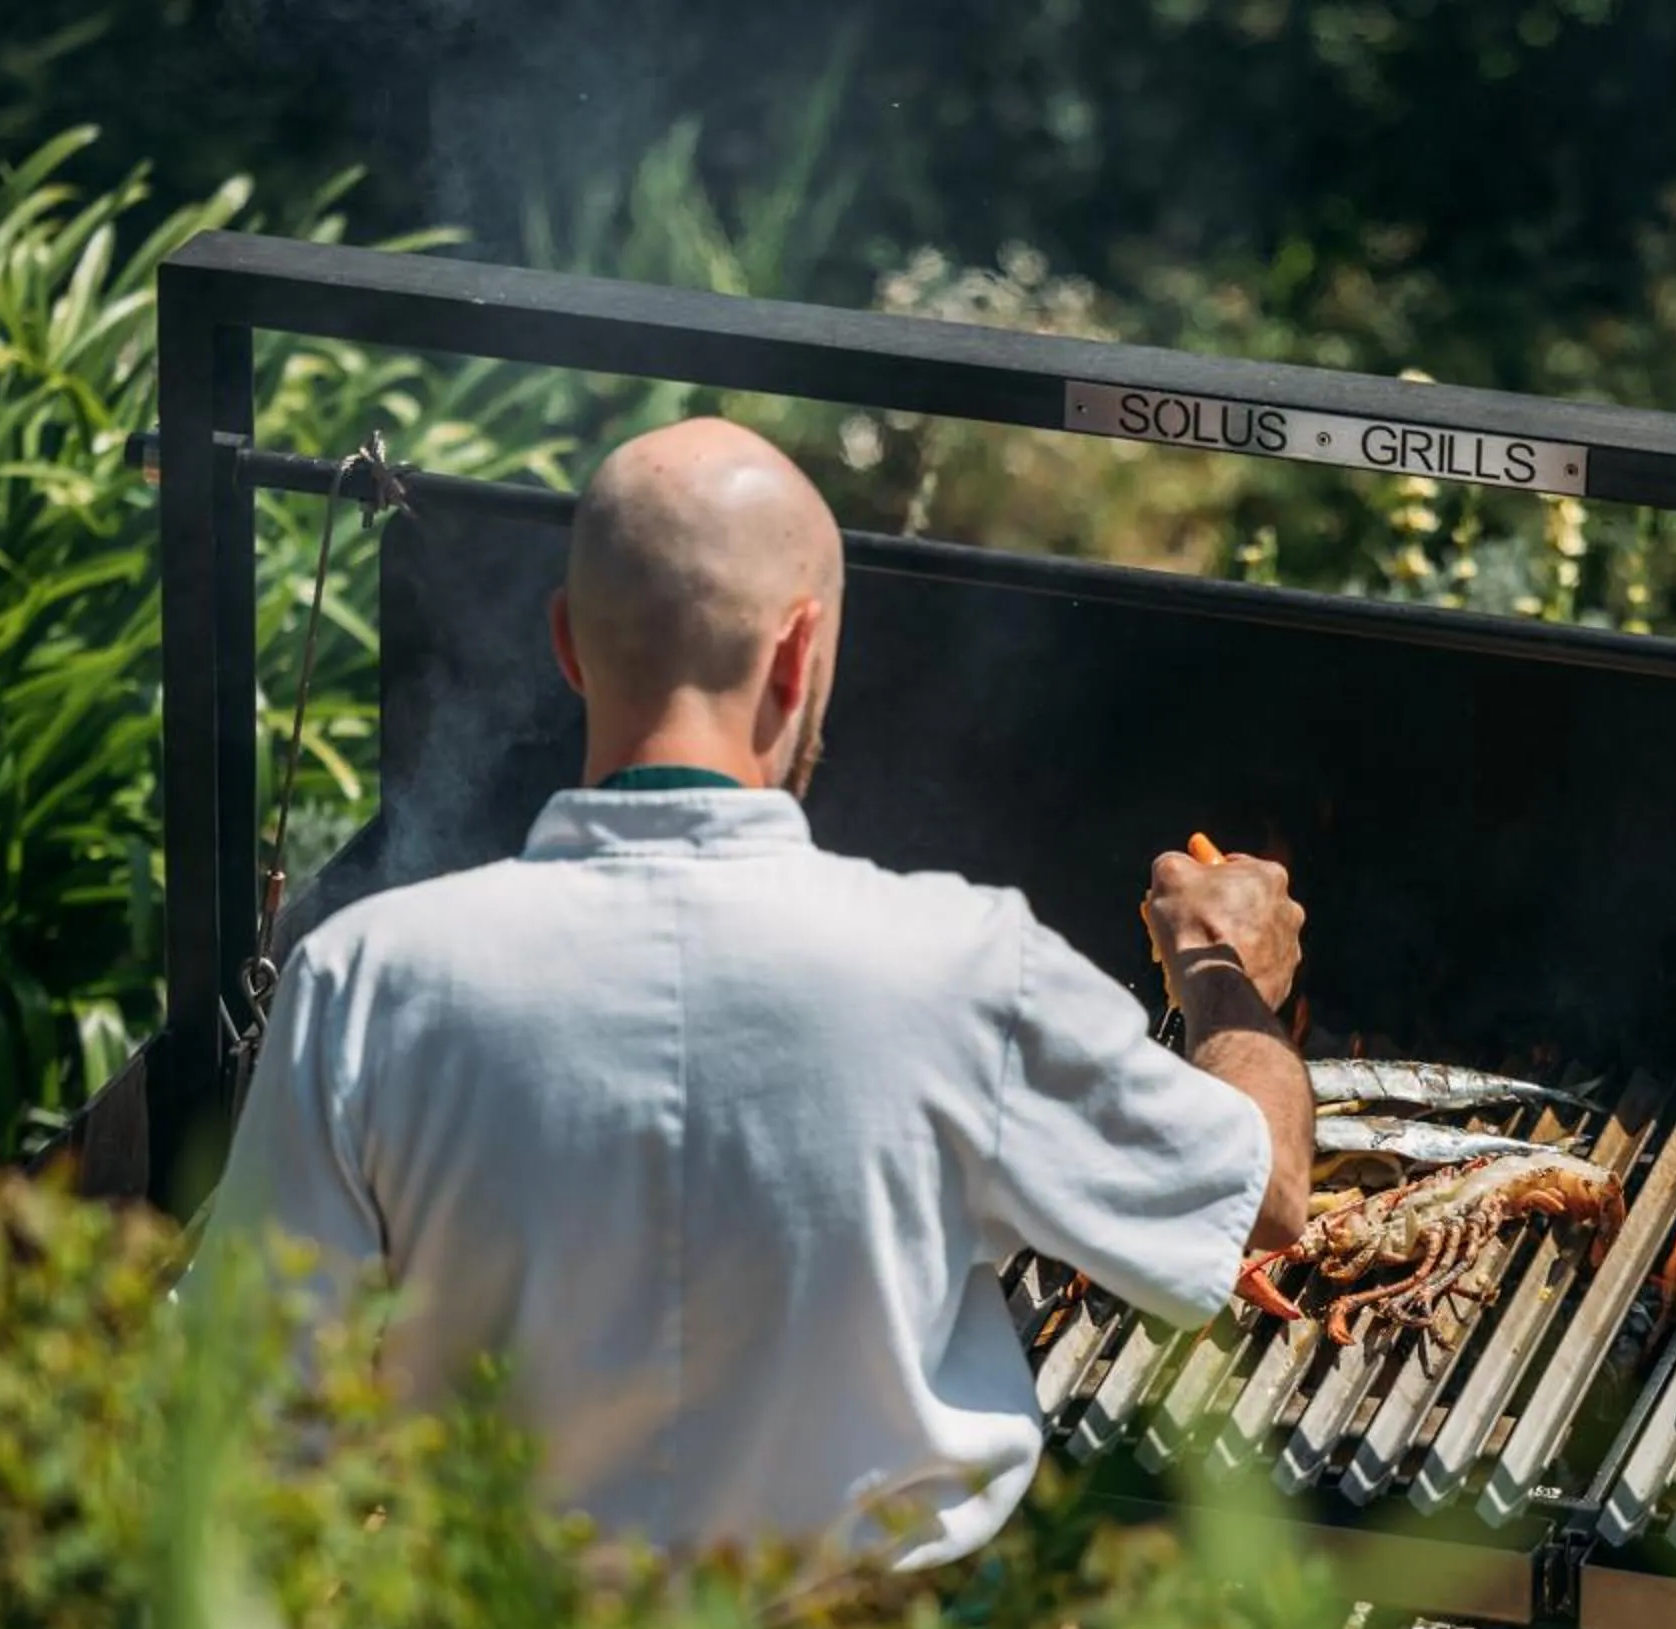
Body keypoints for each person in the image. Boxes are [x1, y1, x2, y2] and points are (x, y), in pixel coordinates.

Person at [202, 416, 1312, 1567]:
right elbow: (1265, 1194)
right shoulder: (966, 968)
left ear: (569, 645)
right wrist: (1224, 973)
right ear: (800, 654)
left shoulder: (364, 981)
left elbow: (242, 1410)